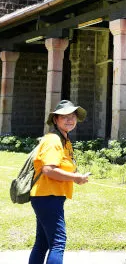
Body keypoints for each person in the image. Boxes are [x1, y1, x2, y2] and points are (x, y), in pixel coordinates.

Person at [29, 100, 90, 264]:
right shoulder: (53, 140)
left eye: (73, 116)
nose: (70, 120)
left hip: (48, 197)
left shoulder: (64, 140)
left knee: (42, 242)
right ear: (56, 119)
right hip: (48, 196)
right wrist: (76, 178)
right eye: (65, 117)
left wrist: (76, 175)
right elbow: (49, 169)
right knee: (58, 242)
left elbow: (63, 165)